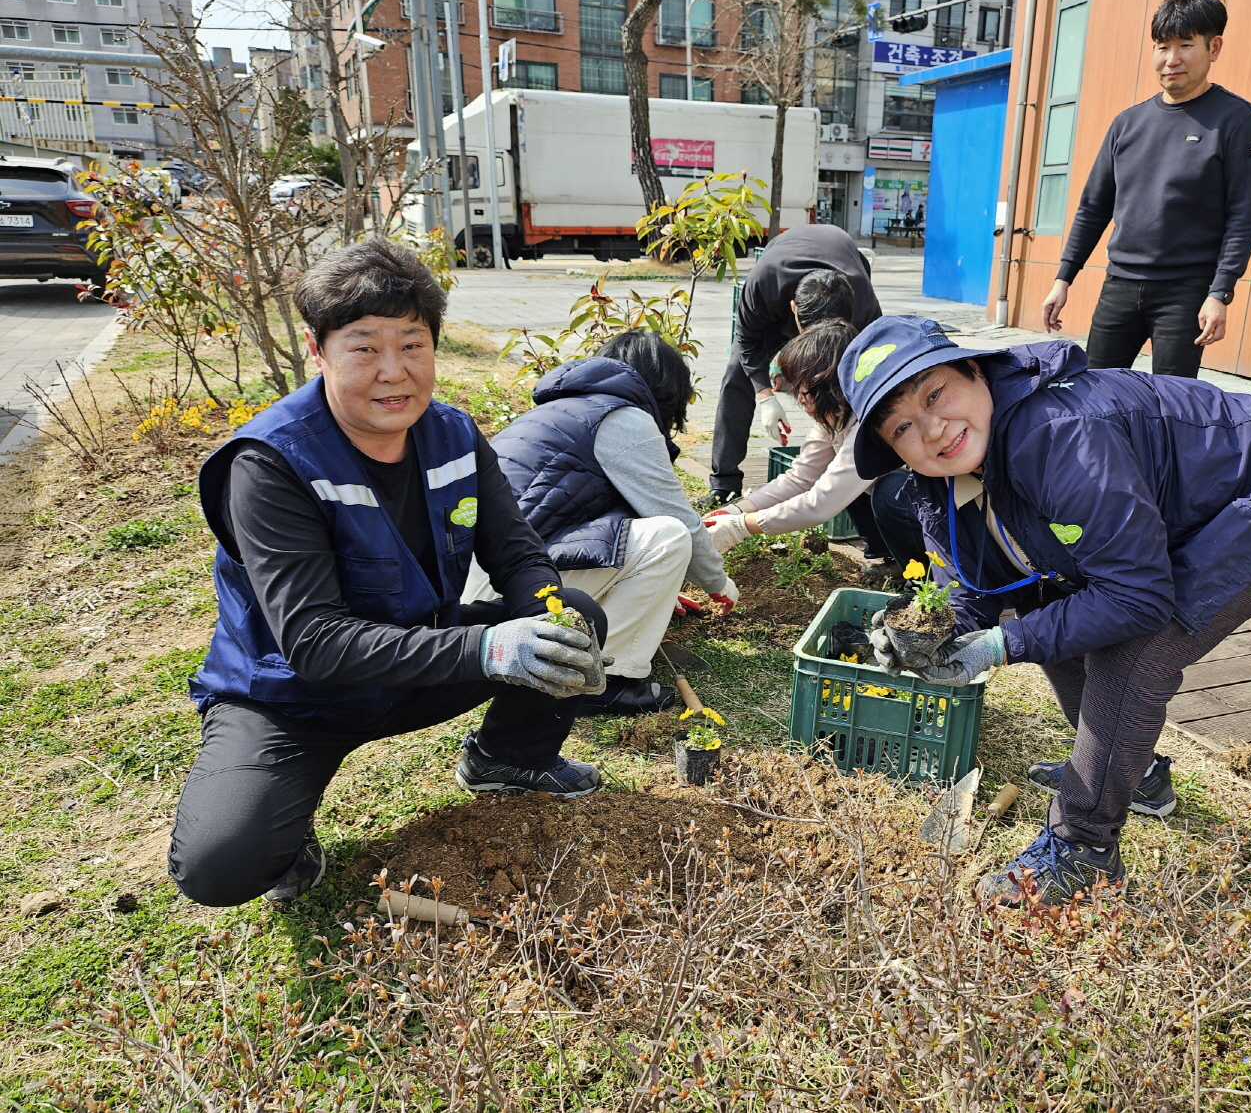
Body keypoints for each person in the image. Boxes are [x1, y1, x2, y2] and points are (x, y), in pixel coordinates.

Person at [843, 316, 1251, 906]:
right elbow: (974, 584)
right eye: (904, 425)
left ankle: (1084, 847)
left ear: (975, 370)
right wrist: (939, 637)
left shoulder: (1057, 435)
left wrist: (999, 646)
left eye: (936, 394)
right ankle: (1137, 776)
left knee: (1134, 651)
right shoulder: (942, 478)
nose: (933, 429)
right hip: (1179, 511)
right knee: (1055, 607)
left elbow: (1137, 597)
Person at [172, 241, 612, 908]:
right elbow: (314, 640)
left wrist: (549, 616)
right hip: (295, 698)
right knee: (218, 864)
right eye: (365, 347)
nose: (393, 371)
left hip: (415, 660)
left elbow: (519, 554)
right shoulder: (270, 465)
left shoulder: (453, 436)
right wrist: (489, 646)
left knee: (573, 616)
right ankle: (284, 837)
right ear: (319, 351)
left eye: (412, 344)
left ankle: (507, 756)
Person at [467, 331, 738, 715]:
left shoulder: (563, 410)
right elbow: (679, 520)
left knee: (656, 540)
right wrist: (719, 583)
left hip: (479, 584)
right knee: (669, 536)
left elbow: (582, 520)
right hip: (506, 589)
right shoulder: (622, 419)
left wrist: (652, 585)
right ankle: (604, 682)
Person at [1040, 0, 1251, 380]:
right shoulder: (1127, 123)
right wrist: (1063, 280)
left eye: (1185, 45)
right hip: (1120, 285)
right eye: (1162, 47)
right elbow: (1094, 207)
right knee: (1096, 393)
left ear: (1214, 47)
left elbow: (1243, 216)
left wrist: (1220, 292)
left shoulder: (1237, 120)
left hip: (1186, 290)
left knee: (1172, 403)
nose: (1171, 59)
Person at [703, 319, 924, 572]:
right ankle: (888, 556)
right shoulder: (834, 414)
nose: (799, 397)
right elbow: (799, 478)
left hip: (940, 511)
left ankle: (926, 573)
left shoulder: (871, 418)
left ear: (830, 384)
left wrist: (742, 526)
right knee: (840, 475)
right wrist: (735, 511)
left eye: (803, 387)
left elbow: (821, 505)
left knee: (889, 492)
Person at [707, 225, 881, 506]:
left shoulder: (861, 301)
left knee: (843, 378)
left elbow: (870, 364)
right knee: (736, 375)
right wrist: (765, 396)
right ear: (794, 310)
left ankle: (849, 465)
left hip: (843, 258)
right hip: (777, 291)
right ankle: (724, 482)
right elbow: (747, 341)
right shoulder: (764, 283)